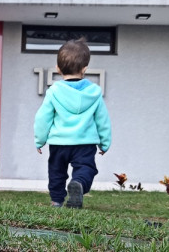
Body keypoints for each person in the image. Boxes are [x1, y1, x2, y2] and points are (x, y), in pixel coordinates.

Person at [34, 38, 111, 208]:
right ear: (85, 69)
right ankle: (79, 183)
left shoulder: (54, 92)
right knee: (85, 168)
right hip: (85, 143)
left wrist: (40, 140)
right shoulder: (94, 93)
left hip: (59, 143)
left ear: (58, 69)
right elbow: (102, 120)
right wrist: (104, 144)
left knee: (56, 172)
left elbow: (43, 118)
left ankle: (56, 200)